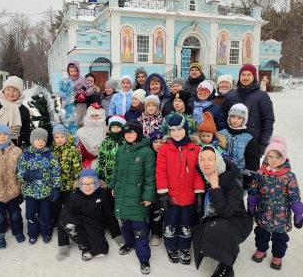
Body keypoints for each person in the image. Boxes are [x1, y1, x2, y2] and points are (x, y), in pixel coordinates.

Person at [192, 145, 253, 277]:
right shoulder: (203, 176)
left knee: (218, 227)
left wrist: (215, 187)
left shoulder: (232, 180)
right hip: (219, 217)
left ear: (217, 160)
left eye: (210, 159)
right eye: (202, 159)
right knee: (201, 227)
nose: (206, 163)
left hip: (238, 221)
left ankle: (226, 266)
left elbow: (226, 211)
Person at [155, 114, 205, 265]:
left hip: (189, 195)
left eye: (179, 129)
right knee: (170, 223)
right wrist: (163, 192)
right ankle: (171, 247)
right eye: (172, 130)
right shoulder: (165, 149)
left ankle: (184, 248)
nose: (176, 133)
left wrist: (199, 193)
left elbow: (198, 173)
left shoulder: (195, 149)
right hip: (171, 196)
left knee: (186, 224)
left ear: (186, 129)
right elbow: (161, 170)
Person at [248, 136, 303, 270]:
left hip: (282, 217)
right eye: (270, 156)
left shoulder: (289, 176)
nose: (273, 160)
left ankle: (277, 256)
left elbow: (295, 196)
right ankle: (261, 250)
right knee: (261, 235)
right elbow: (254, 192)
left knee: (280, 239)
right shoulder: (260, 174)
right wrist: (251, 207)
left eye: (277, 157)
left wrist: (298, 214)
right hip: (263, 214)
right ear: (266, 157)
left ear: (283, 158)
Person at [108, 120, 156, 275]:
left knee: (139, 229)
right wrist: (113, 185)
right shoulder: (122, 150)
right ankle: (129, 244)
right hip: (122, 195)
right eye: (126, 133)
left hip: (137, 198)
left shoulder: (146, 152)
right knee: (125, 224)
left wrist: (148, 196)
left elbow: (150, 177)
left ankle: (144, 258)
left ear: (138, 133)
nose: (128, 135)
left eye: (131, 132)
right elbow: (116, 170)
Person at [56, 169, 124, 261]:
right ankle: (84, 245)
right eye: (84, 184)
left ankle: (89, 244)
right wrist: (63, 244)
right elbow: (63, 217)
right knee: (67, 219)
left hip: (95, 225)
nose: (87, 187)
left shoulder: (103, 196)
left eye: (91, 183)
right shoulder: (74, 197)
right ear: (80, 184)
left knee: (102, 251)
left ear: (96, 183)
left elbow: (110, 216)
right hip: (78, 222)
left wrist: (116, 234)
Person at [16, 128, 62, 245]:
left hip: (46, 192)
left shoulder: (49, 154)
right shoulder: (26, 154)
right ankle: (32, 233)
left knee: (46, 214)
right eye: (38, 139)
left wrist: (56, 188)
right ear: (32, 140)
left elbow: (56, 171)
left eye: (43, 140)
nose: (41, 142)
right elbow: (18, 172)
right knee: (31, 214)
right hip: (30, 192)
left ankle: (46, 232)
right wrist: (27, 174)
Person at [222, 64, 275, 163]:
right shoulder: (231, 96)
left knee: (250, 174)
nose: (245, 78)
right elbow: (223, 118)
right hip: (232, 144)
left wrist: (264, 143)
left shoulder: (262, 96)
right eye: (243, 75)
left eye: (249, 75)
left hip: (253, 144)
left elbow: (268, 121)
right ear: (239, 77)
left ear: (254, 77)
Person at [219, 103, 258, 190]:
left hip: (239, 174)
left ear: (244, 120)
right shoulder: (221, 133)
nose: (235, 120)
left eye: (239, 118)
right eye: (233, 117)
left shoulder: (249, 138)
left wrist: (248, 179)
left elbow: (251, 159)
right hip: (222, 172)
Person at [50, 124, 82, 227]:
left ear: (66, 137)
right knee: (55, 205)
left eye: (62, 137)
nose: (59, 140)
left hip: (68, 184)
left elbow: (77, 168)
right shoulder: (51, 150)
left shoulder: (73, 150)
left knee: (69, 204)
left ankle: (70, 221)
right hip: (55, 184)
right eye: (56, 137)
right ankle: (57, 221)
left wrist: (76, 183)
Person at [96, 115, 126, 185]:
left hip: (123, 177)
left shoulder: (126, 142)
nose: (115, 129)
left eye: (118, 127)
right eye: (113, 127)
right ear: (110, 129)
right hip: (108, 177)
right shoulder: (105, 142)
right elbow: (101, 159)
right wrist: (100, 174)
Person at [76, 103, 107, 169]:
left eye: (97, 115)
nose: (95, 118)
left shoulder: (106, 131)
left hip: (105, 161)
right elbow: (80, 153)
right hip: (87, 162)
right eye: (92, 116)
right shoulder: (81, 133)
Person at [67, 61, 95, 129]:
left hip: (80, 102)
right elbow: (63, 91)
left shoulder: (82, 79)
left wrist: (84, 94)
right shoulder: (67, 80)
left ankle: (79, 137)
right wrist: (63, 97)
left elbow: (92, 88)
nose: (73, 73)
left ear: (78, 70)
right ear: (68, 72)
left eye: (75, 71)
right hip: (70, 103)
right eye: (71, 71)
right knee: (69, 121)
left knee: (78, 121)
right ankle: (71, 137)